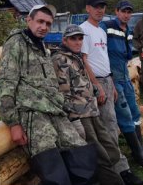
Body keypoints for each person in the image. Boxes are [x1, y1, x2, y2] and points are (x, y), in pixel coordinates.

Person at [0, 4, 97, 185]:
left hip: (54, 109)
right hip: (33, 113)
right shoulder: (16, 43)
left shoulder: (42, 46)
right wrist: (13, 123)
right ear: (29, 20)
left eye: (48, 24)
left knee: (79, 152)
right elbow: (5, 83)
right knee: (52, 166)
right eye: (40, 21)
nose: (44, 27)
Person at [80, 0, 143, 185]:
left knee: (110, 124)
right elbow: (84, 60)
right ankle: (117, 171)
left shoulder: (101, 31)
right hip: (96, 84)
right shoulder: (83, 30)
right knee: (104, 128)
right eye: (96, 7)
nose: (100, 10)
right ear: (88, 8)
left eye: (102, 7)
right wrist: (98, 85)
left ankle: (117, 168)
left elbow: (104, 58)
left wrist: (110, 83)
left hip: (108, 81)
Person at [52, 24, 125, 185]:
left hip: (92, 110)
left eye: (80, 38)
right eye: (73, 39)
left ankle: (103, 176)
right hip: (79, 114)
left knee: (110, 148)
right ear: (65, 40)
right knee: (97, 153)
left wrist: (96, 91)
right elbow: (62, 93)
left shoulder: (76, 57)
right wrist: (73, 118)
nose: (78, 42)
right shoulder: (60, 59)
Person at [100, 0, 143, 167]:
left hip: (125, 75)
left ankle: (141, 146)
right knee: (124, 114)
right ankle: (137, 154)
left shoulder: (128, 30)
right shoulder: (107, 27)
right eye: (123, 11)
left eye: (129, 12)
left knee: (134, 111)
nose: (126, 14)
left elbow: (127, 53)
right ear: (117, 11)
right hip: (113, 77)